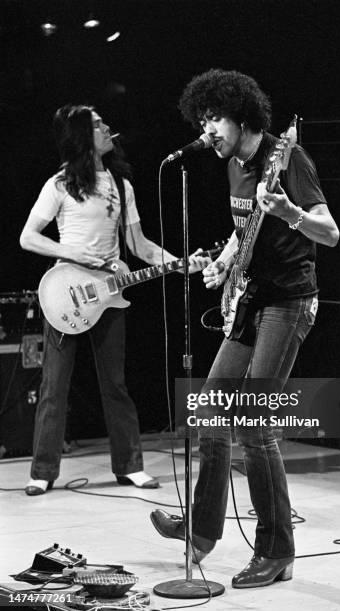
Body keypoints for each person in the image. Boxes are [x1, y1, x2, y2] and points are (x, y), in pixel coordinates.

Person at [150, 69, 339, 588]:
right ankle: (202, 529)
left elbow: (332, 232)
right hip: (251, 300)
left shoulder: (287, 159)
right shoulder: (231, 163)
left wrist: (291, 211)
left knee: (255, 426)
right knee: (209, 411)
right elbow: (245, 228)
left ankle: (276, 550)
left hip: (290, 302)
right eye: (201, 119)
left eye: (213, 118)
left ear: (241, 116)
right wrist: (226, 263)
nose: (206, 129)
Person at [20, 104, 209, 496]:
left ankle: (130, 466)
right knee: (54, 386)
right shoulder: (59, 185)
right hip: (65, 294)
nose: (108, 128)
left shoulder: (122, 186)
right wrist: (74, 254)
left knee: (116, 384)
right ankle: (41, 471)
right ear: (80, 136)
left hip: (108, 294)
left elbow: (139, 245)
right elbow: (28, 237)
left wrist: (179, 263)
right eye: (98, 125)